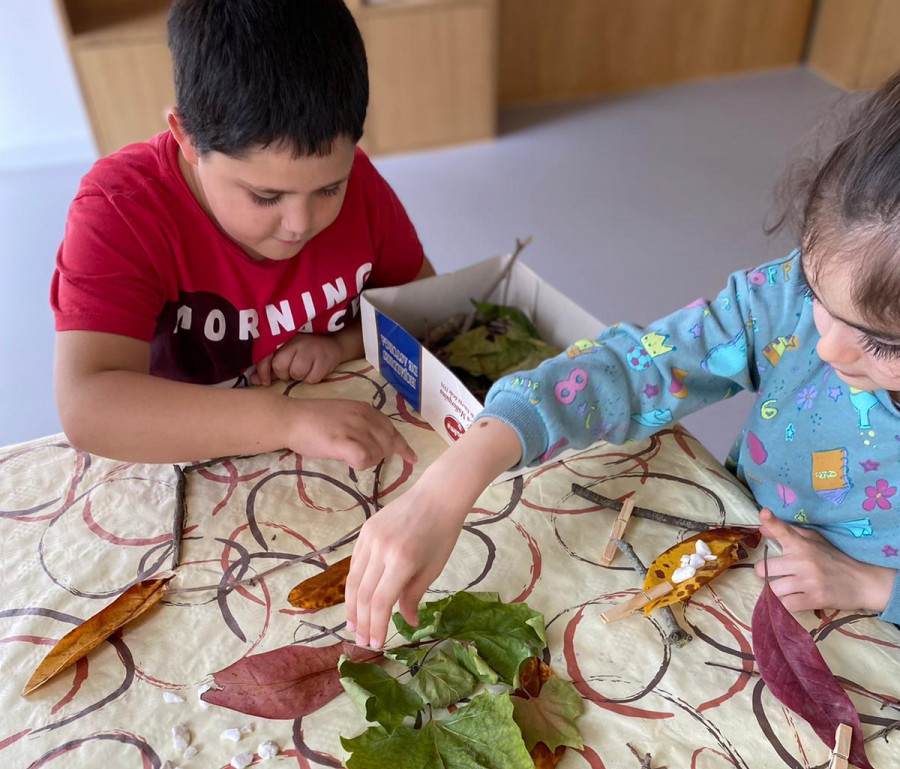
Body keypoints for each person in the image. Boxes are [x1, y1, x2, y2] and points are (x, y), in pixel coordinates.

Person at [345, 72, 900, 647]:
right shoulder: (789, 299)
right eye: (816, 294)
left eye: (883, 343)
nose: (828, 345)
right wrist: (447, 487)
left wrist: (877, 587)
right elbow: (633, 370)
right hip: (742, 570)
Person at [51, 0, 431, 469]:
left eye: (330, 187)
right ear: (186, 137)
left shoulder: (363, 187)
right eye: (266, 196)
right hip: (186, 457)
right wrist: (285, 421)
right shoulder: (120, 211)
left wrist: (340, 344)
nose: (300, 223)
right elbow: (88, 406)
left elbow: (423, 304)